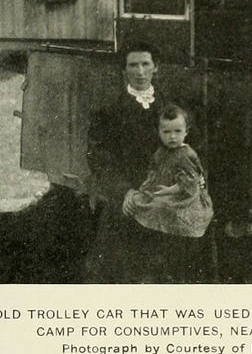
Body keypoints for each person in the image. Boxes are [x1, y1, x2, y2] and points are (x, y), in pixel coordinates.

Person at [85, 42, 164, 282]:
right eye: (133, 65)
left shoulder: (168, 108)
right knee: (119, 271)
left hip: (163, 197)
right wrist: (124, 191)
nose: (140, 72)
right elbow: (99, 157)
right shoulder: (110, 110)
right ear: (124, 70)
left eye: (145, 64)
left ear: (156, 67)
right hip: (126, 199)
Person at [123, 105, 214, 283]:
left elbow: (188, 183)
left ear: (186, 132)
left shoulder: (186, 154)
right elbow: (153, 173)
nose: (172, 137)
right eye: (166, 132)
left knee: (162, 206)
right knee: (142, 203)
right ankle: (154, 255)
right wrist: (146, 188)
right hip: (164, 189)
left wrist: (167, 190)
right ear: (159, 132)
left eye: (177, 131)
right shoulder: (161, 151)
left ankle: (171, 257)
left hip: (184, 195)